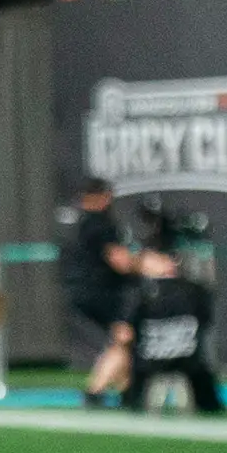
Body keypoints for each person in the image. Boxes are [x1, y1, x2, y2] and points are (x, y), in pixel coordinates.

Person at [59, 174, 138, 406]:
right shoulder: (101, 223)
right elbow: (120, 261)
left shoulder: (77, 223)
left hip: (80, 290)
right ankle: (95, 390)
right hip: (102, 292)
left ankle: (128, 392)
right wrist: (147, 263)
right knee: (123, 339)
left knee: (123, 341)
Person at [122, 245, 227, 413]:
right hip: (188, 360)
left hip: (150, 361)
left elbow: (124, 333)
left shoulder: (139, 293)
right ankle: (210, 406)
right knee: (202, 377)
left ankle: (130, 402)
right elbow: (206, 321)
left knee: (132, 367)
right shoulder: (195, 290)